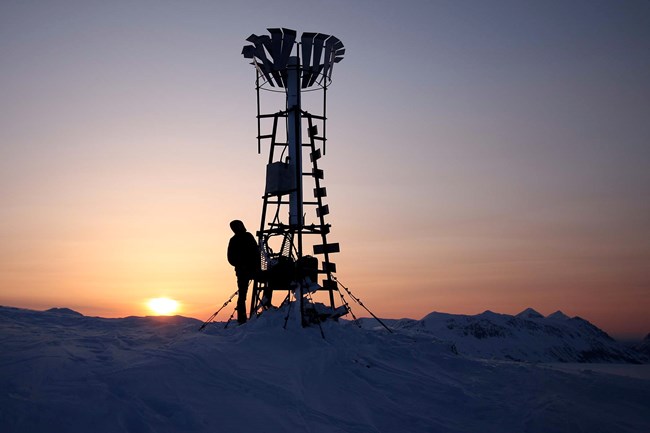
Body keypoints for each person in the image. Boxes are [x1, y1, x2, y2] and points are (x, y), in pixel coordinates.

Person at [227, 220, 259, 324]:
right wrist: (242, 265)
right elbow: (231, 258)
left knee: (242, 295)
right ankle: (242, 319)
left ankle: (243, 319)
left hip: (247, 270)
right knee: (242, 295)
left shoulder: (240, 238)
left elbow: (256, 252)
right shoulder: (241, 238)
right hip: (245, 271)